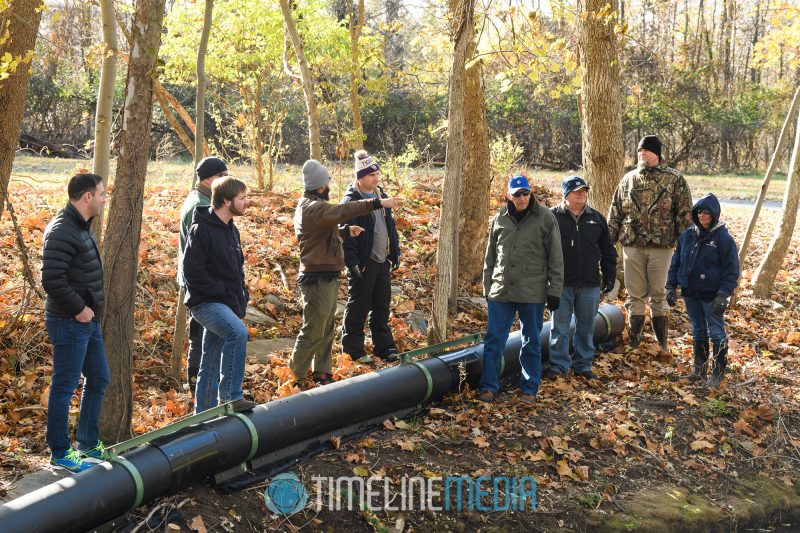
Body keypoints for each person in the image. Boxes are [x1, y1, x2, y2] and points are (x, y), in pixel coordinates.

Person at [291, 159, 401, 386]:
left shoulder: (315, 205)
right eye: (328, 181)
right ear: (321, 185)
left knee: (326, 327)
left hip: (327, 274)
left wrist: (344, 231)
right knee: (313, 328)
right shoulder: (312, 207)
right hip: (316, 276)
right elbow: (341, 211)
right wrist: (377, 203)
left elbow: (320, 234)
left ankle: (322, 371)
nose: (330, 185)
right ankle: (296, 375)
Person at [41, 173, 110, 472]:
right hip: (69, 320)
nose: (105, 198)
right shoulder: (62, 230)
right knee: (64, 386)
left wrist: (88, 311)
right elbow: (51, 280)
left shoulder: (81, 226)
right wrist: (80, 309)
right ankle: (59, 451)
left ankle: (88, 443)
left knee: (99, 377)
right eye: (102, 194)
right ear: (86, 197)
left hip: (86, 320)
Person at [478, 175, 564, 403]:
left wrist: (554, 290)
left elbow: (556, 257)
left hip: (532, 292)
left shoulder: (545, 217)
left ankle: (529, 389)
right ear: (509, 195)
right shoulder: (500, 218)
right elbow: (490, 257)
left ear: (531, 192)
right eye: (517, 194)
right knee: (493, 340)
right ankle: (488, 387)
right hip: (501, 291)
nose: (522, 198)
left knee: (531, 341)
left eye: (525, 193)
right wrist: (488, 287)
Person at [607, 134, 693, 351]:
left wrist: (686, 250)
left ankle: (662, 343)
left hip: (661, 248)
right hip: (632, 246)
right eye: (639, 151)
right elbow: (615, 212)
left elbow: (684, 216)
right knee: (635, 295)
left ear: (657, 154)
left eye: (647, 150)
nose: (642, 154)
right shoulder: (628, 180)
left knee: (659, 294)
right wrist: (608, 244)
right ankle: (635, 341)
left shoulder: (675, 180)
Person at [182, 176, 255, 414]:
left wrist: (240, 296)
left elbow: (235, 270)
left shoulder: (231, 229)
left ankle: (203, 413)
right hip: (206, 303)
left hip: (226, 303)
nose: (246, 202)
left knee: (210, 359)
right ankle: (231, 397)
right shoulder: (201, 229)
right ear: (226, 201)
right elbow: (192, 272)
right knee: (238, 333)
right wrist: (222, 293)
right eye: (242, 198)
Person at [548, 176, 617, 380]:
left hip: (589, 284)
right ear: (566, 194)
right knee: (558, 328)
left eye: (584, 190)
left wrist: (610, 274)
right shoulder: (551, 217)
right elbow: (540, 252)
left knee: (586, 327)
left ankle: (583, 364)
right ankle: (559, 365)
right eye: (577, 190)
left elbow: (608, 251)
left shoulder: (596, 219)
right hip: (560, 284)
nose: (582, 193)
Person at [666, 193, 739, 387]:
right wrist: (670, 286)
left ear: (714, 214)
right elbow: (676, 262)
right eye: (699, 212)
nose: (702, 216)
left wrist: (724, 294)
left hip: (712, 296)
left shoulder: (723, 239)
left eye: (706, 213)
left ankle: (718, 374)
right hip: (690, 293)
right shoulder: (688, 236)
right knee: (698, 331)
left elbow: (732, 270)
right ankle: (699, 370)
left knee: (716, 332)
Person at [340, 150, 401, 365]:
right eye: (371, 175)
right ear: (360, 177)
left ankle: (385, 347)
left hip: (382, 260)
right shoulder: (350, 201)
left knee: (381, 306)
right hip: (364, 263)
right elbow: (345, 235)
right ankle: (353, 350)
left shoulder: (381, 195)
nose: (376, 179)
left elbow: (389, 227)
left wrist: (394, 251)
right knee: (358, 306)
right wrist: (353, 263)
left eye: (377, 174)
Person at [178, 156, 228, 403]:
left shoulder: (205, 200)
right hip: (199, 286)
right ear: (209, 179)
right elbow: (196, 256)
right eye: (222, 175)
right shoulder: (199, 205)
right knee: (200, 340)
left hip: (204, 283)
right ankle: (197, 389)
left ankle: (207, 390)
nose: (226, 180)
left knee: (207, 339)